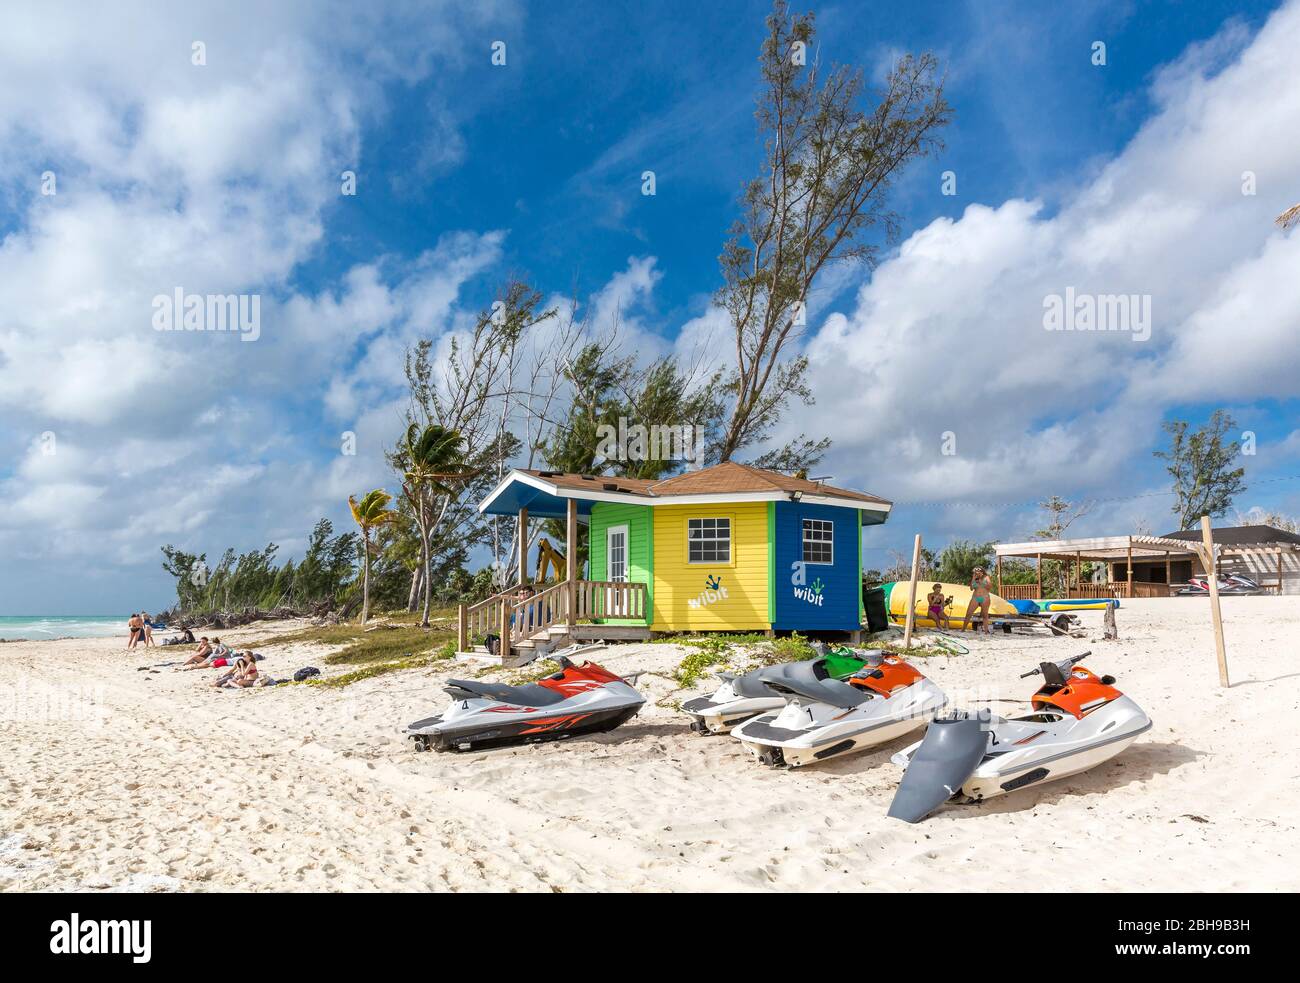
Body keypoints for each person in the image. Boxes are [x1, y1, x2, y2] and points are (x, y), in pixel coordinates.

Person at [964, 566, 993, 635]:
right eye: (975, 572)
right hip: (976, 597)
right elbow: (971, 588)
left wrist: (981, 582)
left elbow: (990, 587)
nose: (977, 573)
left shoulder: (986, 577)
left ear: (982, 572)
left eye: (978, 572)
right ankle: (963, 629)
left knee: (985, 615)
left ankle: (986, 631)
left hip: (984, 597)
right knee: (968, 614)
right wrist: (973, 578)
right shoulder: (975, 578)